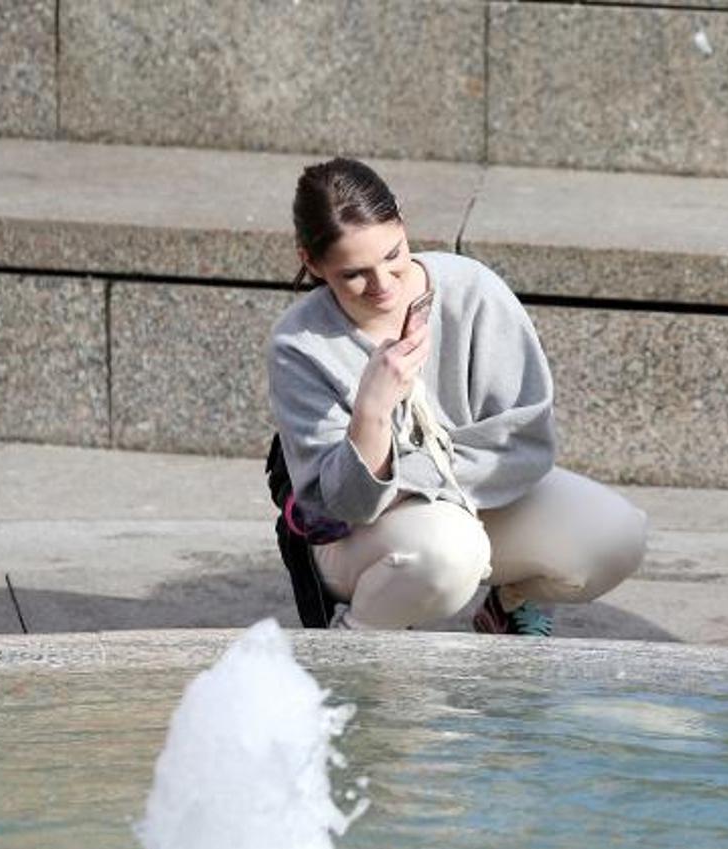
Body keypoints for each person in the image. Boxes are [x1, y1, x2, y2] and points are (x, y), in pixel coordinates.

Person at [268, 157, 647, 632]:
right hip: (357, 539)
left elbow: (523, 440)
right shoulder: (299, 345)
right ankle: (354, 650)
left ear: (402, 221)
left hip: (478, 498)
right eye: (353, 274)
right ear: (311, 262)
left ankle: (508, 607)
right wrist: (373, 410)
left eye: (393, 254)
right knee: (446, 550)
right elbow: (345, 506)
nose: (382, 285)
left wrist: (409, 478)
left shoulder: (472, 290)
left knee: (615, 535)